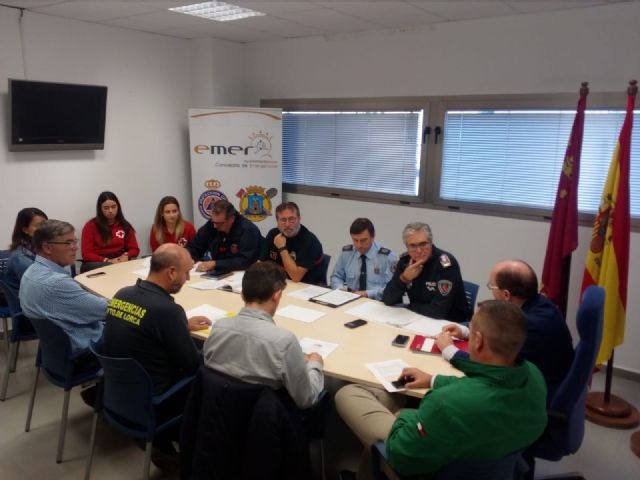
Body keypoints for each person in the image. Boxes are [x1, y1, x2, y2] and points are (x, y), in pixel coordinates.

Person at [335, 301, 547, 480]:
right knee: (388, 406)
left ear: (478, 341)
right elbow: (484, 382)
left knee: (349, 394)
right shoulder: (534, 376)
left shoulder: (446, 404)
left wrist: (405, 417)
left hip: (431, 469)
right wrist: (433, 380)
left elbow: (403, 458)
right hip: (497, 463)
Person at [102, 243, 211, 471]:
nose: (188, 278)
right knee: (214, 374)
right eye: (186, 272)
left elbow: (143, 328)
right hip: (158, 399)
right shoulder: (167, 310)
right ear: (171, 272)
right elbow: (192, 365)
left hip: (118, 391)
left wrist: (180, 327)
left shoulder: (122, 294)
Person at [436, 259, 574, 398]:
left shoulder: (529, 325)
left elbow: (491, 367)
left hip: (535, 393)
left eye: (491, 287)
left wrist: (449, 350)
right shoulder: (538, 303)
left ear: (506, 295)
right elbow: (498, 332)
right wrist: (466, 332)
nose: (491, 291)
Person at [203, 261, 324, 409]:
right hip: (264, 419)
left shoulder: (218, 327)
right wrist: (315, 364)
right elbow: (306, 399)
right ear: (277, 295)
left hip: (216, 414)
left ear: (242, 295)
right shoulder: (285, 341)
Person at [20, 220, 108, 354]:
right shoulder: (57, 283)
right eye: (68, 243)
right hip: (87, 350)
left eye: (75, 241)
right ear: (47, 248)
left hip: (56, 350)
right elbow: (107, 310)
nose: (75, 248)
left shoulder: (30, 272)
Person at [382, 222, 467, 322]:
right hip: (419, 317)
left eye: (423, 244)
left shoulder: (445, 263)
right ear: (407, 247)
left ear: (431, 243)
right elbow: (388, 299)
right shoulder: (405, 262)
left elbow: (438, 311)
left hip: (448, 322)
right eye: (413, 246)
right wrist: (404, 279)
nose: (418, 251)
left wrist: (409, 307)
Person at [330, 218, 397, 300]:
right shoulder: (346, 254)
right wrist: (340, 289)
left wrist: (367, 294)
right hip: (351, 300)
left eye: (363, 240)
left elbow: (393, 288)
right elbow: (336, 277)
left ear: (373, 237)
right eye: (355, 240)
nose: (359, 245)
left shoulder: (387, 257)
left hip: (378, 302)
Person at [186, 200, 262, 272]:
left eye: (219, 224)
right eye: (213, 222)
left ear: (232, 219)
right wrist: (190, 258)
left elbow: (246, 261)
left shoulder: (248, 230)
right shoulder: (213, 224)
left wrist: (216, 264)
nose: (215, 226)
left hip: (241, 274)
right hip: (216, 273)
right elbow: (195, 246)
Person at [260, 202, 325, 285]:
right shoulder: (273, 234)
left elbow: (295, 277)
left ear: (299, 219)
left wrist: (282, 248)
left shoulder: (310, 241)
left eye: (291, 219)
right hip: (279, 282)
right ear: (277, 221)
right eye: (283, 220)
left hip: (306, 286)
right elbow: (261, 264)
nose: (287, 224)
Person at [81, 191, 140, 272]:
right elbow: (86, 254)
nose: (111, 210)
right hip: (98, 261)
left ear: (118, 207)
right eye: (106, 208)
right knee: (111, 267)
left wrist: (126, 255)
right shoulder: (90, 226)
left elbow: (135, 249)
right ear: (100, 209)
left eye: (114, 207)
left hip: (119, 259)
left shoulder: (125, 225)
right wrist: (107, 260)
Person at [4, 207, 48, 309]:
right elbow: (41, 287)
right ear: (25, 230)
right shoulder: (20, 258)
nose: (45, 229)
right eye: (39, 225)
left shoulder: (38, 248)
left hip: (40, 302)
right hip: (32, 310)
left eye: (46, 224)